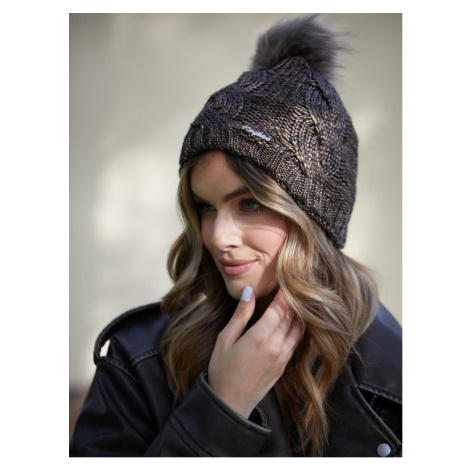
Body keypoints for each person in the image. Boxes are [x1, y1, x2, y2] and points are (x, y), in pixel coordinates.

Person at [69, 14, 402, 457]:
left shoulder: (402, 379)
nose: (218, 237)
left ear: (316, 215)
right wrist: (222, 407)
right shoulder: (138, 362)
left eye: (249, 204)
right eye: (205, 207)